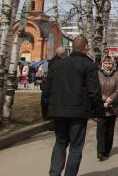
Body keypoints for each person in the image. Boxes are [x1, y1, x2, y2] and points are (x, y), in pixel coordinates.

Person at [41, 35, 104, 176]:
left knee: (60, 143)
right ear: (86, 47)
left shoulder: (57, 64)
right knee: (75, 147)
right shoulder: (89, 65)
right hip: (78, 112)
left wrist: (46, 111)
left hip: (58, 111)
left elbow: (46, 90)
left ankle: (54, 173)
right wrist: (99, 113)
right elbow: (94, 91)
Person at [96, 56, 118, 161]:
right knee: (101, 130)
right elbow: (95, 88)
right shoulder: (98, 74)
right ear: (102, 64)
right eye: (105, 63)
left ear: (113, 64)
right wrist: (104, 99)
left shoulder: (117, 75)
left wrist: (110, 99)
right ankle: (100, 151)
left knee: (110, 131)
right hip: (101, 106)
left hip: (113, 106)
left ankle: (107, 150)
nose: (107, 65)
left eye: (109, 63)